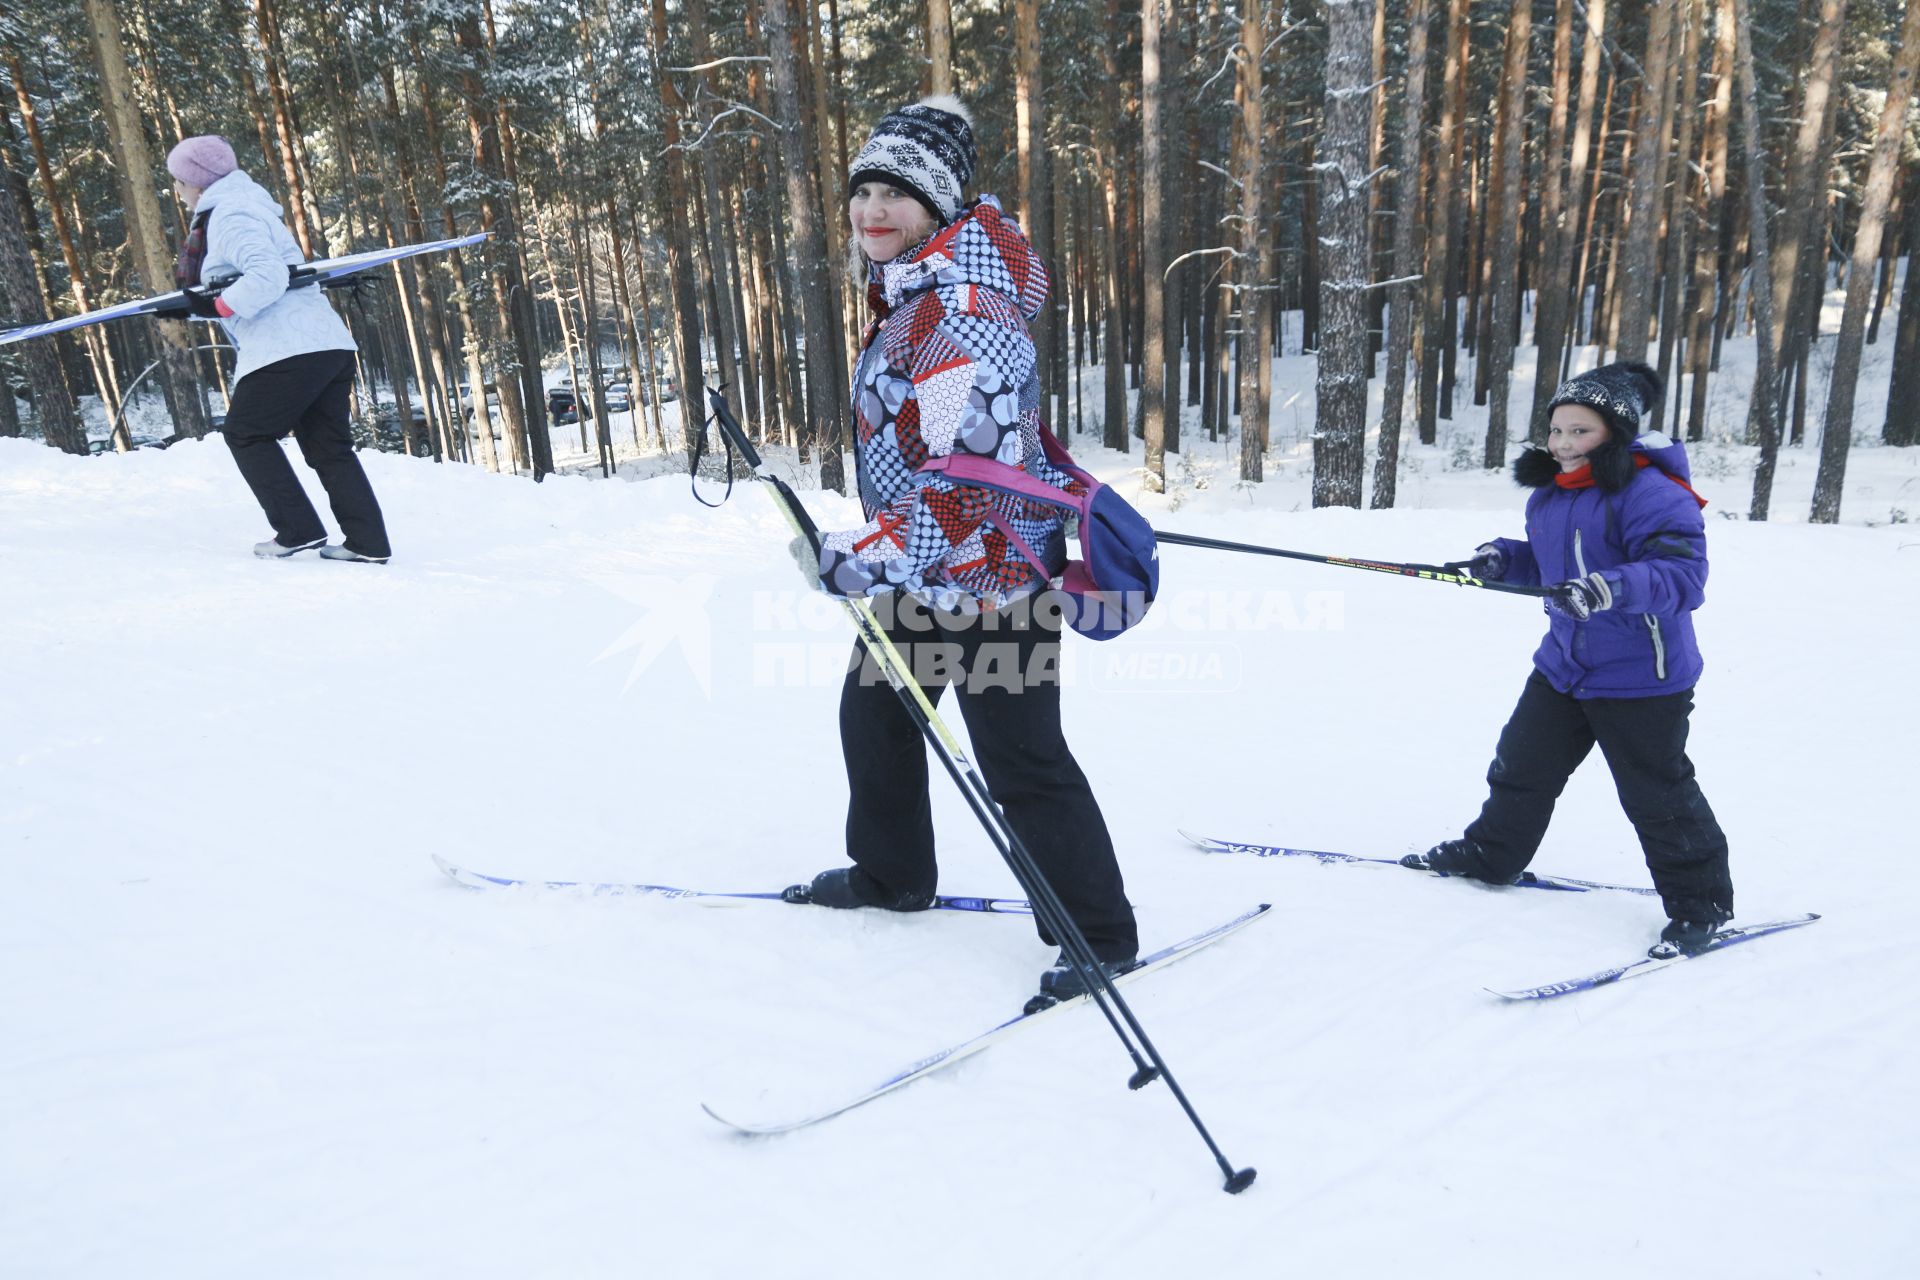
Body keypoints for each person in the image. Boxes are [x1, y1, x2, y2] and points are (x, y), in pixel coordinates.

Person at [782, 97, 1139, 999]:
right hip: (924, 573)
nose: (872, 209)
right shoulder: (916, 288)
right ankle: (892, 875)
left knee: (1020, 759)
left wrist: (869, 553)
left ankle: (1099, 933)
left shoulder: (962, 309)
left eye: (896, 194)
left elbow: (969, 481)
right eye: (863, 189)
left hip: (992, 579)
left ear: (938, 207)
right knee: (877, 719)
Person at [1400, 361, 1734, 959]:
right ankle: (1492, 856)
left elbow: (1683, 576)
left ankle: (1701, 905)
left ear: (1615, 433)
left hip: (1641, 676)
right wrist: (1503, 560)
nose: (1562, 445)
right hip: (1565, 666)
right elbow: (1555, 569)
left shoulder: (1654, 494)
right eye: (1557, 430)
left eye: (1580, 432)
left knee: (1656, 795)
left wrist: (1609, 588)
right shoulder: (1553, 495)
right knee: (1521, 767)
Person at [159, 135, 391, 563]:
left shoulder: (229, 214)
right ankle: (368, 543)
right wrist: (196, 310)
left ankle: (297, 529)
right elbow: (240, 284)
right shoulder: (248, 206)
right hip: (325, 343)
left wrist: (217, 305)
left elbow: (266, 277)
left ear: (198, 182)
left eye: (178, 181)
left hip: (287, 348)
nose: (177, 191)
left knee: (246, 434)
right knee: (328, 448)